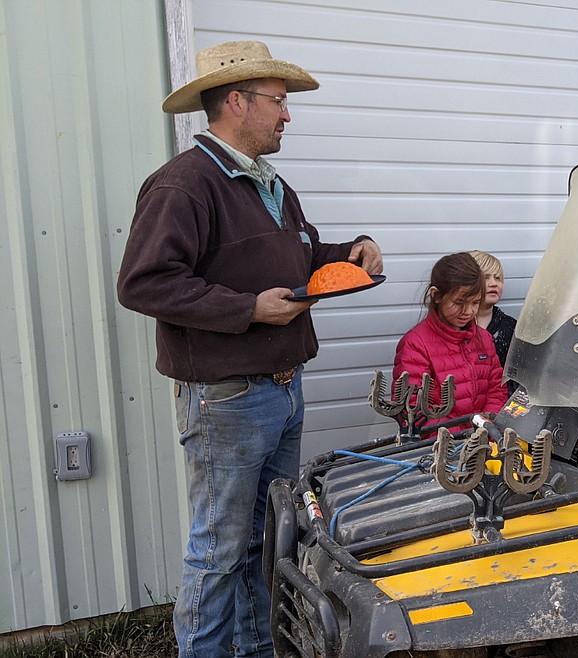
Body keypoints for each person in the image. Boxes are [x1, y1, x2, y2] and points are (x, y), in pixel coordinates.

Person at [116, 41, 383, 657]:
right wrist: (247, 310)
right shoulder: (183, 185)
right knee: (219, 550)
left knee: (265, 542)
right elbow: (144, 283)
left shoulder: (270, 184)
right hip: (229, 401)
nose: (287, 115)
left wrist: (349, 252)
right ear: (236, 102)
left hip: (281, 389)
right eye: (278, 102)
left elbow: (293, 258)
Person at [393, 252, 509, 431]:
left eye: (475, 302)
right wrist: (460, 439)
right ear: (437, 296)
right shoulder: (415, 344)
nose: (468, 311)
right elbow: (413, 411)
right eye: (459, 303)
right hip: (440, 448)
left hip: (484, 441)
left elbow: (497, 391)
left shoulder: (484, 338)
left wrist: (486, 429)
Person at [468, 250, 518, 394]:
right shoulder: (456, 325)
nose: (493, 284)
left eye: (498, 278)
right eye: (486, 278)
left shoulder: (511, 327)